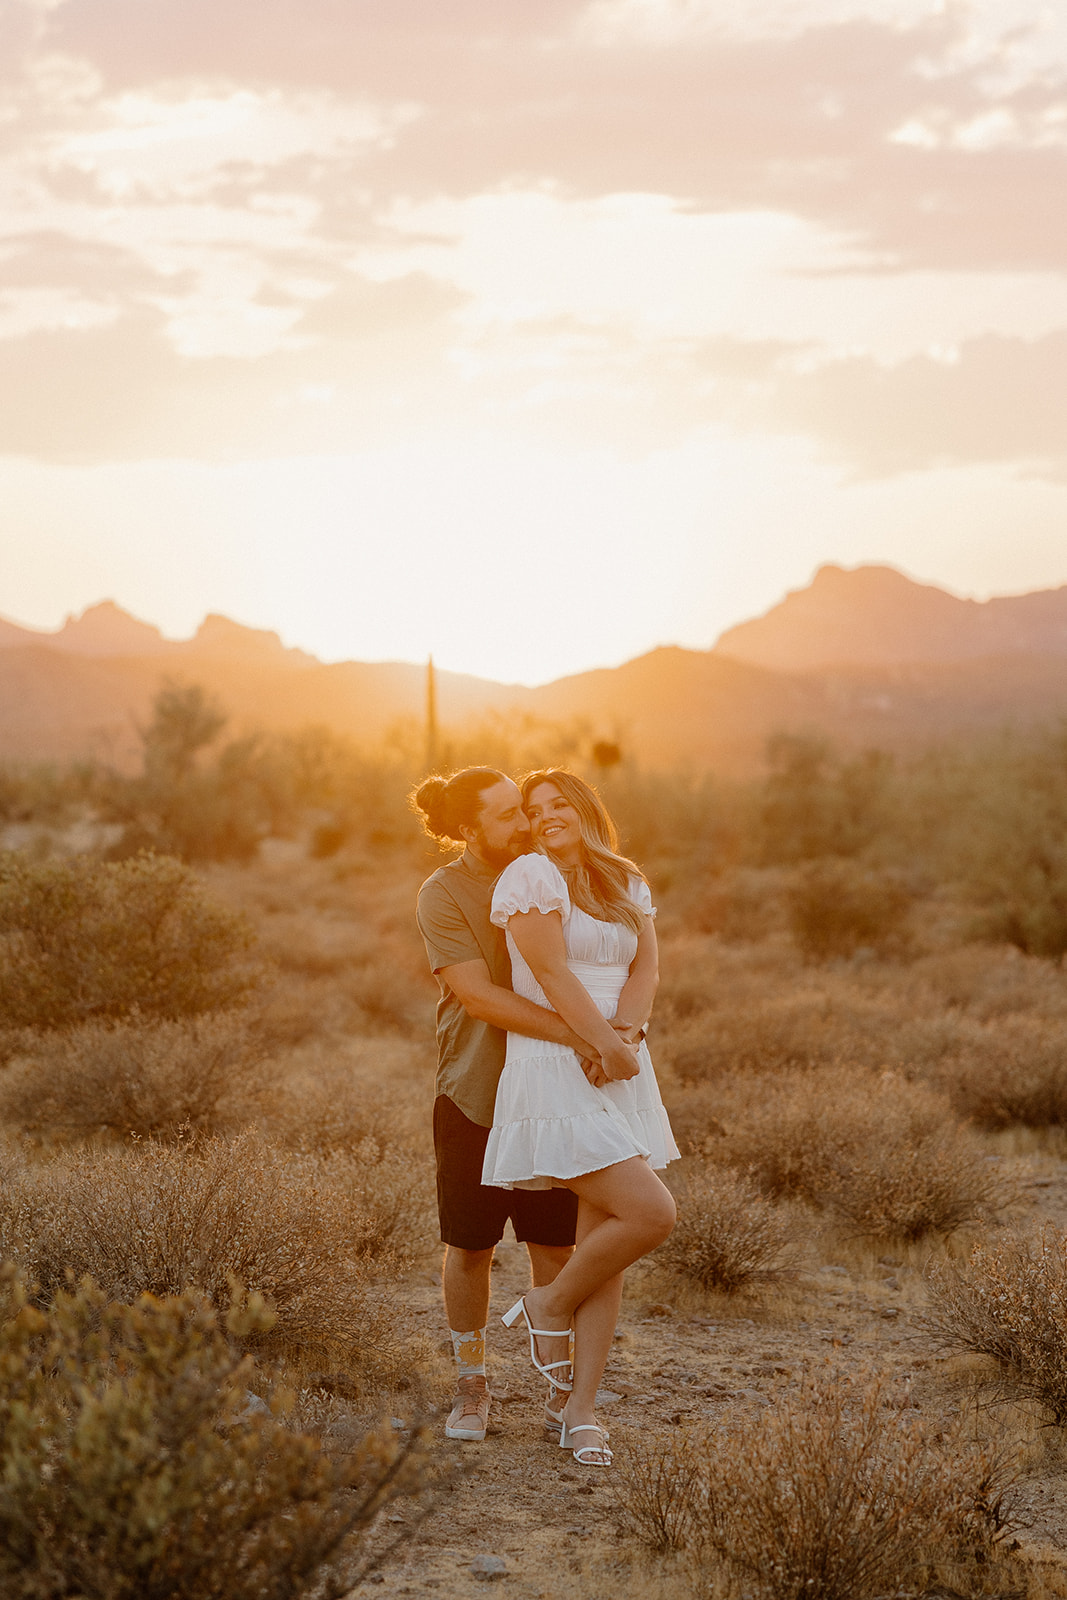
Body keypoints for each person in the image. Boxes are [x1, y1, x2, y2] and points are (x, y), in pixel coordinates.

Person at [483, 769, 679, 1467]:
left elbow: (646, 969)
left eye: (557, 803)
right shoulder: (531, 877)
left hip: (618, 1056)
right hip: (555, 1060)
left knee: (610, 1240)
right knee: (650, 1215)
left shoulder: (624, 880)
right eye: (533, 811)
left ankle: (581, 1410)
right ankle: (547, 1304)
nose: (545, 817)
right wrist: (599, 1043)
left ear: (585, 807)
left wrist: (627, 1037)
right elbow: (554, 975)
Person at [413, 767, 611, 1445]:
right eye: (505, 816)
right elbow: (478, 998)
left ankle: (561, 1393)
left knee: (553, 1245)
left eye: (522, 810)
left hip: (553, 1097)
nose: (523, 824)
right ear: (468, 829)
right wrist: (586, 1036)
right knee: (468, 1248)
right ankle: (472, 1382)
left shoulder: (554, 872)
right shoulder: (443, 893)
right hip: (474, 1091)